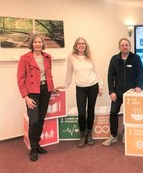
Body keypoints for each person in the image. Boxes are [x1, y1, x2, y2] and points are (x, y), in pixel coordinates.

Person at [56, 37, 103, 148]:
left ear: (86, 45)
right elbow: (69, 73)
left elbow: (97, 72)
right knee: (81, 113)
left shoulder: (90, 57)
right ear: (76, 45)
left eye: (83, 43)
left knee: (90, 110)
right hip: (80, 88)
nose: (81, 45)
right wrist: (65, 85)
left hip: (93, 86)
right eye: (79, 43)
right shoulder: (71, 57)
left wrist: (100, 86)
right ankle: (83, 134)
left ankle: (89, 134)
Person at [17, 34, 56, 162]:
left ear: (42, 43)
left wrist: (52, 86)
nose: (38, 44)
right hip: (32, 93)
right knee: (33, 121)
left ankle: (37, 144)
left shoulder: (47, 57)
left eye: (40, 42)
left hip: (45, 91)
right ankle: (33, 148)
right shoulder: (25, 58)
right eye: (35, 42)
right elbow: (20, 79)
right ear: (32, 44)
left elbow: (49, 74)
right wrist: (26, 97)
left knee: (40, 119)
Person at [102, 38, 143, 146]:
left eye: (126, 45)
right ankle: (113, 135)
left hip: (132, 93)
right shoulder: (114, 59)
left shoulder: (136, 58)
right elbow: (110, 76)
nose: (124, 47)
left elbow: (140, 73)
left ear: (130, 46)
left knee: (130, 115)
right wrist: (112, 91)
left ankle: (127, 135)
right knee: (113, 113)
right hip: (118, 93)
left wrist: (139, 86)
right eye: (122, 45)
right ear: (119, 47)